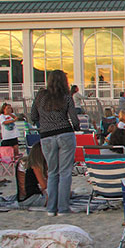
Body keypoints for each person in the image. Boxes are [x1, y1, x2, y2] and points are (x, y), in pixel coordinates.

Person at [30, 69, 80, 216]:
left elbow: (33, 115)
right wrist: (76, 128)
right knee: (65, 172)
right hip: (65, 133)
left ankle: (51, 208)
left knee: (52, 172)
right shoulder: (66, 97)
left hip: (46, 135)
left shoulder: (40, 96)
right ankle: (63, 208)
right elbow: (74, 119)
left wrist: (44, 122)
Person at [17, 141, 47, 209]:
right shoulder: (36, 166)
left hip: (24, 198)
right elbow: (44, 185)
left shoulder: (29, 164)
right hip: (31, 199)